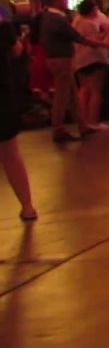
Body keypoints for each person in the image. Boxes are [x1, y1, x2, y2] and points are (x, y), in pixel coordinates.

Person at [41, 0, 109, 143]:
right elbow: (76, 37)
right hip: (61, 59)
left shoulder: (49, 17)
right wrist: (101, 43)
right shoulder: (56, 18)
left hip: (61, 58)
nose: (66, 1)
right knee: (62, 95)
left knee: (73, 94)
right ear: (56, 0)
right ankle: (58, 129)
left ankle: (83, 126)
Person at [0, 21, 37, 221]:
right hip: (2, 95)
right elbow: (17, 52)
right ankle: (27, 206)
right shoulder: (3, 26)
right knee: (11, 154)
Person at [72, 0, 109, 132]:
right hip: (93, 58)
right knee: (96, 90)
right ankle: (93, 120)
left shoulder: (77, 21)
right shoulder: (88, 24)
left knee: (84, 89)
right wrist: (106, 33)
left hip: (80, 59)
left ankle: (83, 120)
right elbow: (94, 41)